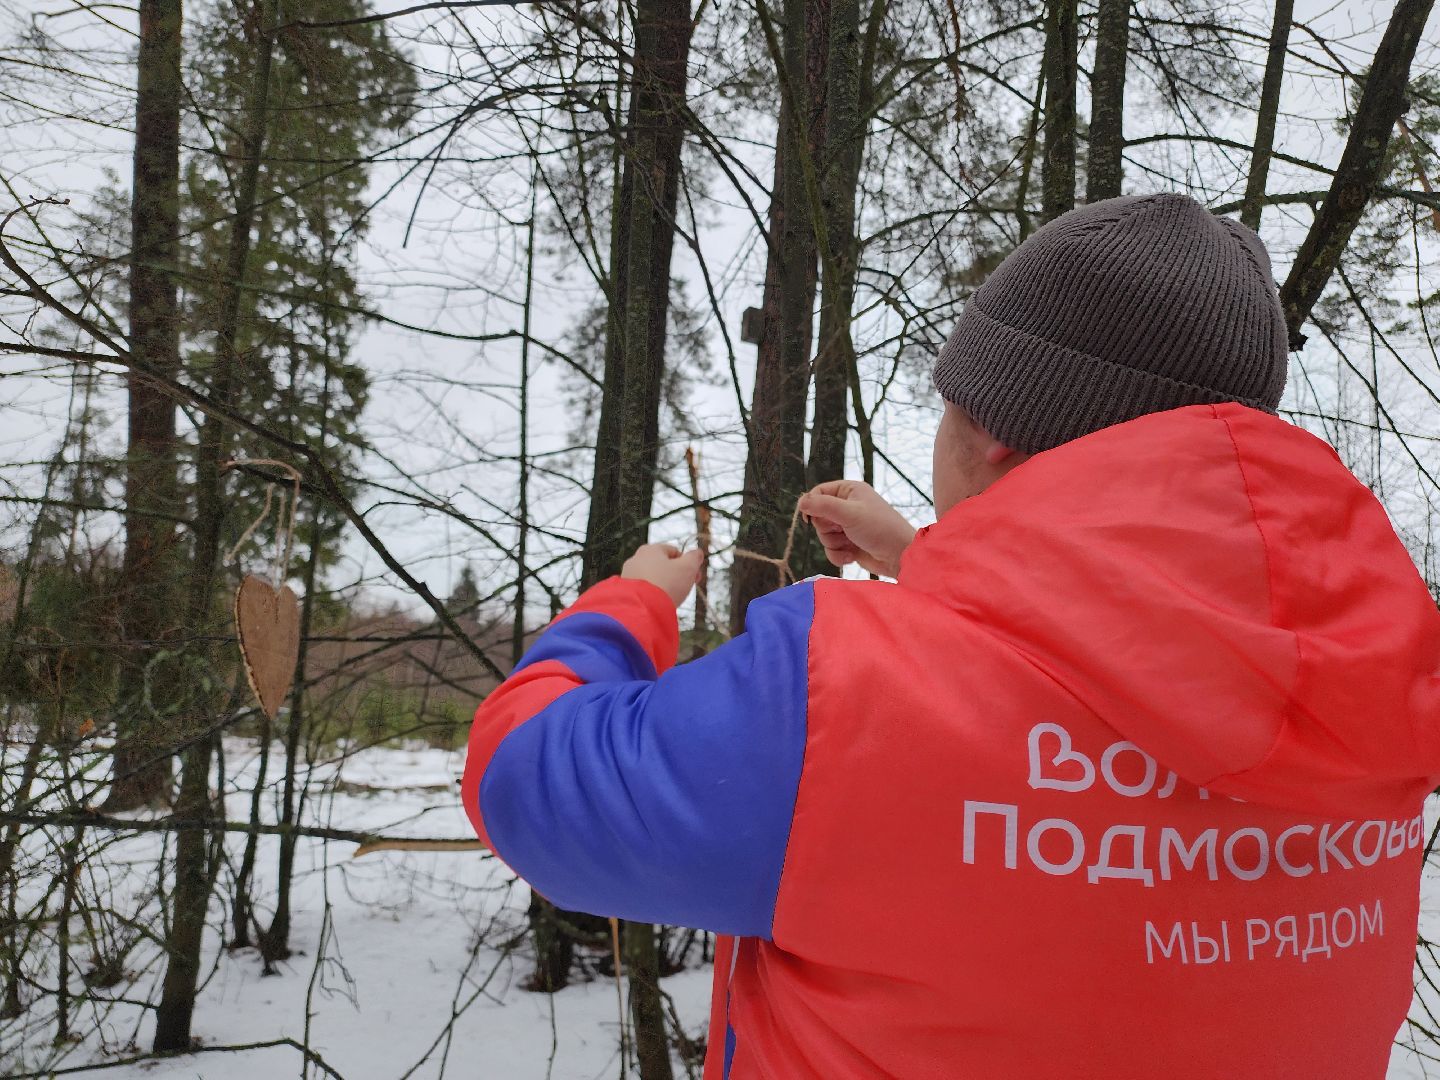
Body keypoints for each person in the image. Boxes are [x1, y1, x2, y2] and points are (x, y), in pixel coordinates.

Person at [460, 193, 1440, 1079]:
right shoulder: (1375, 689)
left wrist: (628, 606)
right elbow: (1130, 656)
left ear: (996, 433)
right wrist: (930, 557)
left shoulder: (842, 693)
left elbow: (526, 779)